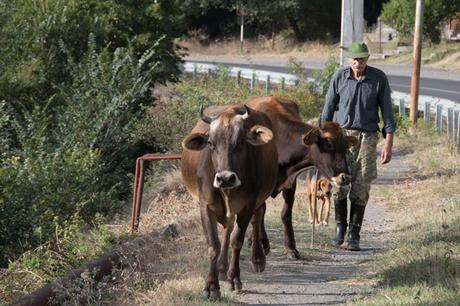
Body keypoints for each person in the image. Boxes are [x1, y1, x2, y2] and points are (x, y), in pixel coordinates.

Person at [321, 42, 396, 251]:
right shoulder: (339, 77)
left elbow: (387, 113)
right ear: (349, 59)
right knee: (340, 182)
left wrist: (388, 143)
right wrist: (323, 141)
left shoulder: (378, 78)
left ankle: (354, 233)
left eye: (362, 58)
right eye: (355, 58)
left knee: (361, 183)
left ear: (367, 58)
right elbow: (327, 111)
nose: (358, 62)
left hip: (368, 137)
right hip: (341, 136)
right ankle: (339, 228)